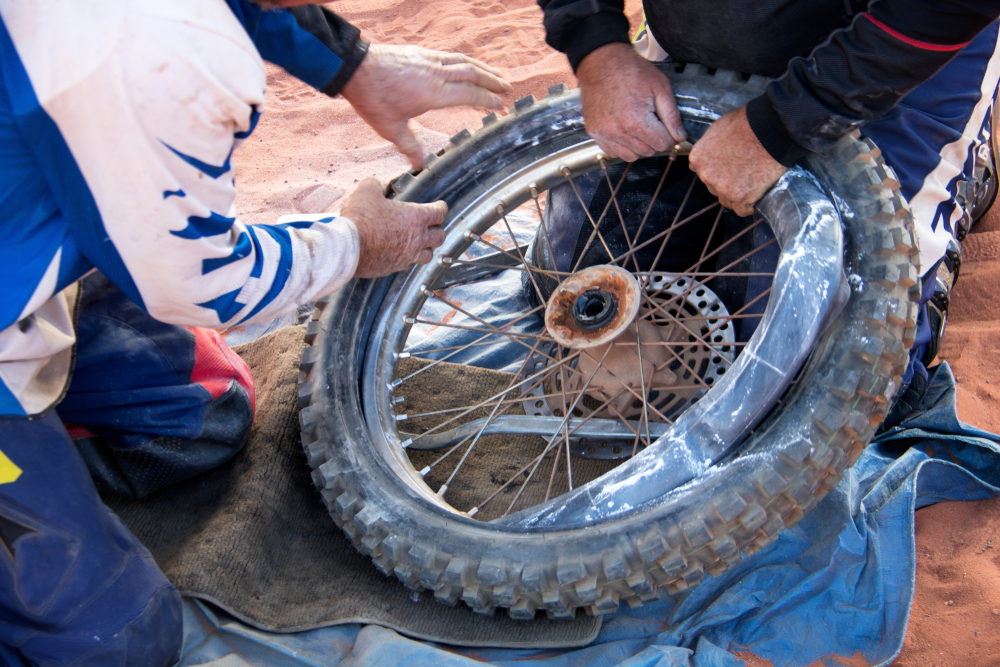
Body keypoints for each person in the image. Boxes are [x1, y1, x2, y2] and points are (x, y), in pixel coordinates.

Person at [0, 0, 511, 664]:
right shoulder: (142, 48)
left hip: (32, 273)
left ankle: (43, 458)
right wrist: (354, 243)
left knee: (206, 408)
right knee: (113, 639)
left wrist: (353, 64)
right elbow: (206, 280)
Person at [537, 0, 1000, 419]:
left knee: (815, 369)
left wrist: (782, 125)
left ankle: (959, 171)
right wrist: (595, 42)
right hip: (703, 38)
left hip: (896, 54)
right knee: (572, 277)